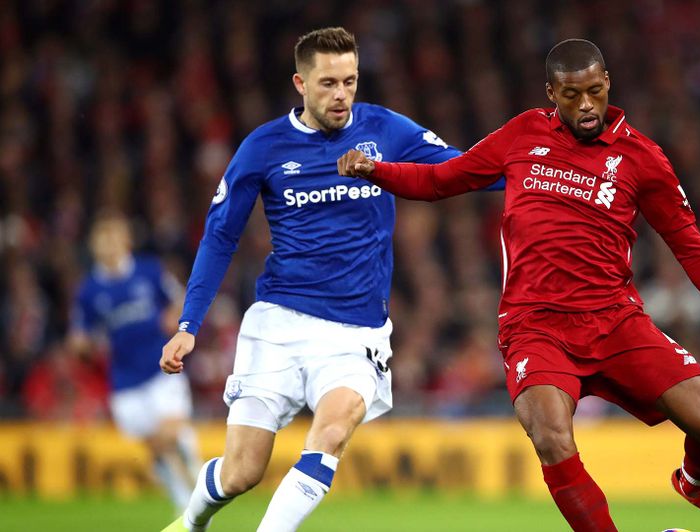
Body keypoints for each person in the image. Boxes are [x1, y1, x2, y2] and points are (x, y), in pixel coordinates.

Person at [338, 38, 700, 532]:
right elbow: (442, 179)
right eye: (572, 95)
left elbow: (690, 245)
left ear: (607, 82)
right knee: (550, 435)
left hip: (615, 320)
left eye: (594, 90)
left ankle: (695, 485)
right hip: (535, 327)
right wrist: (378, 171)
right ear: (552, 92)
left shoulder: (642, 158)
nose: (586, 105)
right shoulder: (522, 134)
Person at [159, 27, 500, 532]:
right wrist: (189, 323)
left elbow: (462, 170)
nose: (341, 94)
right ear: (300, 83)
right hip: (278, 325)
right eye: (328, 84)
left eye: (350, 81)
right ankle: (189, 523)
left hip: (354, 333)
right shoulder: (264, 147)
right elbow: (219, 237)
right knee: (241, 473)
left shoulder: (384, 129)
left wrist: (540, 168)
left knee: (332, 435)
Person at [69, 211, 199, 512]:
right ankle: (183, 501)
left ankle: (193, 470)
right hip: (124, 380)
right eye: (102, 240)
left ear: (126, 241)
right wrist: (81, 344)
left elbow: (181, 298)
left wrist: (175, 317)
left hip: (162, 368)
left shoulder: (149, 271)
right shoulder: (90, 290)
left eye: (113, 237)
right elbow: (80, 335)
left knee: (171, 431)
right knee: (156, 445)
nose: (108, 245)